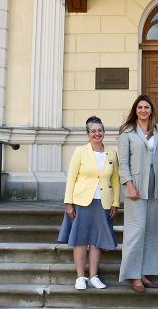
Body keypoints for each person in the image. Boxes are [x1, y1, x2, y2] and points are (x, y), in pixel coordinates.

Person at [117, 94, 158, 292]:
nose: (143, 110)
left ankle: (144, 273)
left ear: (151, 110)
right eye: (140, 107)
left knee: (152, 232)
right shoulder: (127, 132)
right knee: (136, 232)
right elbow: (123, 163)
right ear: (135, 110)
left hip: (156, 185)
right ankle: (133, 275)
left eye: (146, 107)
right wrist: (129, 185)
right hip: (136, 187)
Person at [58, 116, 120, 290]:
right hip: (82, 201)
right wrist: (68, 203)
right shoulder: (80, 151)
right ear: (88, 134)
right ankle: (80, 277)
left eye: (100, 130)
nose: (97, 134)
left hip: (103, 203)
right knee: (80, 239)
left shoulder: (111, 153)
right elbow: (71, 178)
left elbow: (115, 180)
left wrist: (115, 203)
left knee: (97, 240)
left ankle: (93, 276)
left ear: (104, 132)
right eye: (93, 131)